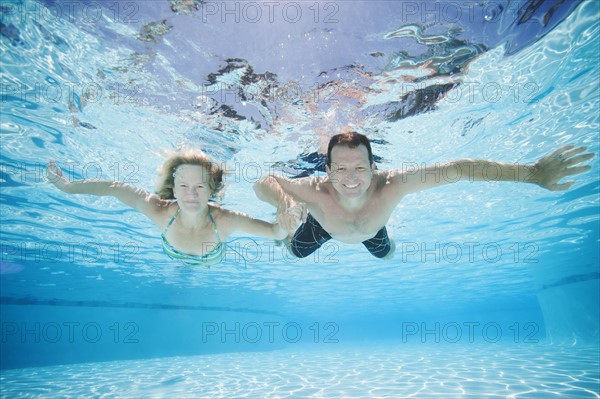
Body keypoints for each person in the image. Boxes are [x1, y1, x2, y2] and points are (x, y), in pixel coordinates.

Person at [254, 131, 594, 260]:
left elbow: (459, 168)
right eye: (340, 170)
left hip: (374, 229)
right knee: (291, 250)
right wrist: (285, 204)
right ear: (327, 171)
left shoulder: (393, 184)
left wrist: (533, 174)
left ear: (374, 166)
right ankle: (280, 229)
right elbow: (263, 181)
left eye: (359, 167)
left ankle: (385, 233)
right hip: (323, 224)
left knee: (386, 256)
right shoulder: (314, 190)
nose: (350, 178)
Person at [47, 149, 288, 267]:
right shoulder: (159, 211)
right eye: (183, 185)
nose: (191, 194)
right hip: (182, 255)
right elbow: (114, 187)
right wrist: (66, 187)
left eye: (200, 187)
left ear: (212, 191)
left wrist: (288, 221)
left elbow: (276, 232)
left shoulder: (225, 219)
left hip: (210, 260)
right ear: (172, 189)